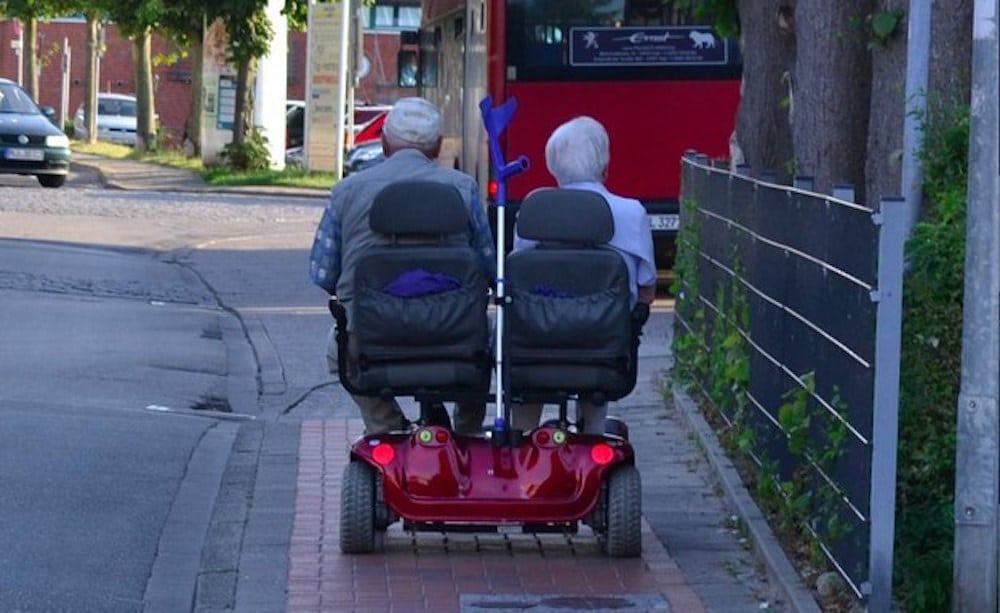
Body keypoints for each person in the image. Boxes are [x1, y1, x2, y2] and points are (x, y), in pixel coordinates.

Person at [309, 97, 496, 435]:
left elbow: (324, 275)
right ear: (438, 146)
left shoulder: (346, 191)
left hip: (373, 338)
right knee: (489, 337)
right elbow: (488, 269)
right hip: (456, 336)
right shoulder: (464, 188)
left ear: (383, 143)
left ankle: (386, 425)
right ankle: (468, 431)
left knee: (335, 350)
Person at [510, 115, 656, 434]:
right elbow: (646, 289)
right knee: (608, 324)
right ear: (605, 164)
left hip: (536, 345)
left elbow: (518, 279)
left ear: (553, 166)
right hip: (603, 350)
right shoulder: (632, 213)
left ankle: (521, 438)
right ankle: (593, 430)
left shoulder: (534, 212)